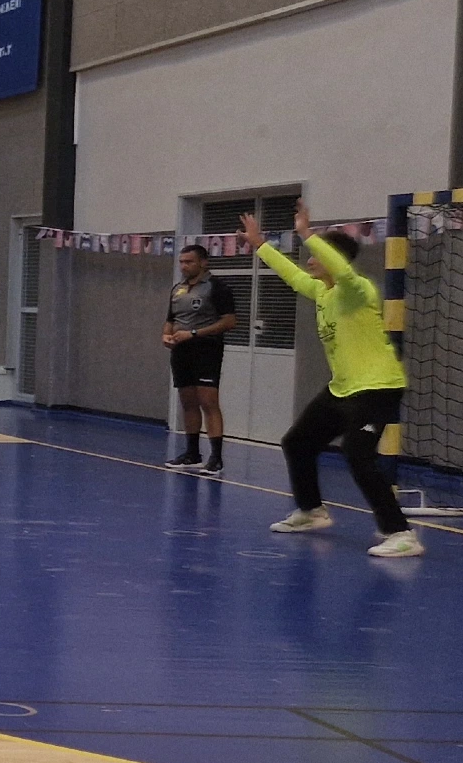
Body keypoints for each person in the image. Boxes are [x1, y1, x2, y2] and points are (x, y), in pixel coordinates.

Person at [242, 205, 421, 558]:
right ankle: (311, 511)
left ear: (333, 259)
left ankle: (400, 533)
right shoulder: (323, 293)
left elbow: (342, 270)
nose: (309, 260)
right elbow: (292, 276)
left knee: (358, 454)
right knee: (297, 442)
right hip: (342, 388)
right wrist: (260, 244)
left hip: (377, 387)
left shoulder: (358, 290)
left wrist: (308, 234)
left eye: (315, 255)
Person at [162, 244, 237, 474]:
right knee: (188, 402)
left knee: (208, 402)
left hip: (206, 350)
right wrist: (166, 334)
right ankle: (192, 453)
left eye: (189, 262)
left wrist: (193, 333)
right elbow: (171, 319)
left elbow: (229, 321)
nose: (184, 266)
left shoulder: (217, 288)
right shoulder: (178, 289)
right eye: (182, 262)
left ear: (203, 263)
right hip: (181, 352)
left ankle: (216, 458)